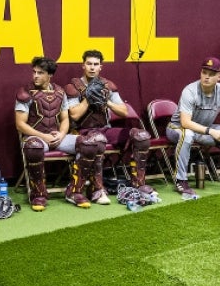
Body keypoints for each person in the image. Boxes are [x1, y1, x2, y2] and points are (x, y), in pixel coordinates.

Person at [65, 50, 154, 206]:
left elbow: (124, 112)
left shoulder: (107, 86)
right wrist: (88, 98)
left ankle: (138, 184)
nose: (92, 67)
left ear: (101, 67)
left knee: (141, 136)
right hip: (82, 132)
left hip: (105, 129)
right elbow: (74, 115)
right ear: (83, 65)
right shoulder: (73, 87)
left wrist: (107, 102)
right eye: (89, 64)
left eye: (96, 64)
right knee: (97, 140)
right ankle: (97, 189)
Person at [15, 57, 98, 211]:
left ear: (50, 75)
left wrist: (61, 134)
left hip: (56, 136)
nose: (35, 76)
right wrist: (43, 136)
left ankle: (74, 191)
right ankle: (38, 194)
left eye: (40, 73)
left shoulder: (60, 92)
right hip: (36, 139)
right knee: (34, 148)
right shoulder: (25, 93)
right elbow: (20, 124)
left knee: (88, 145)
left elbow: (65, 118)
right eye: (34, 72)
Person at [166, 57, 220, 200]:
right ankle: (181, 181)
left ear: (219, 77)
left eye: (211, 74)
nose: (207, 77)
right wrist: (212, 132)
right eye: (204, 72)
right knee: (188, 134)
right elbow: (185, 122)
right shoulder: (190, 91)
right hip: (177, 128)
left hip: (203, 129)